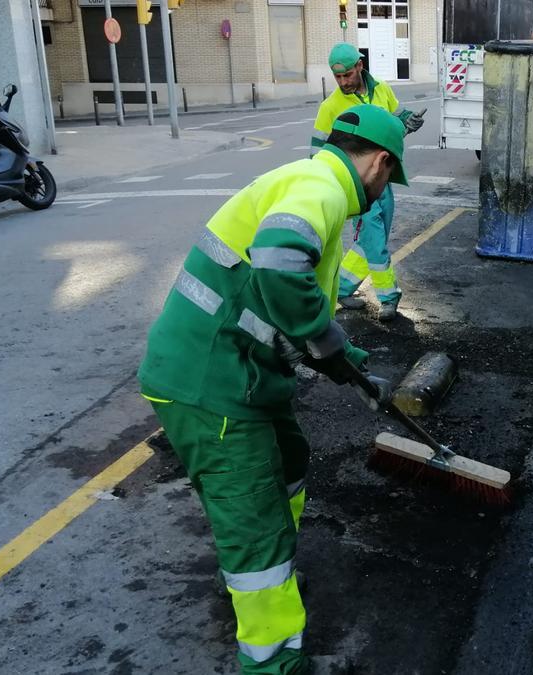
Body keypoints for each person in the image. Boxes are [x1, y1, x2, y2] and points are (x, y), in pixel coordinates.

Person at [138, 104, 407, 675]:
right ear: (380, 163)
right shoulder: (324, 186)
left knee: (289, 461)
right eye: (390, 178)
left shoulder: (308, 178)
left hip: (241, 375)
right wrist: (323, 340)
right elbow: (281, 262)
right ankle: (271, 656)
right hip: (209, 384)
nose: (384, 190)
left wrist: (351, 362)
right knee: (253, 516)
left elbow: (285, 307)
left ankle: (264, 566)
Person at [312, 43, 425, 322]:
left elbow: (395, 121)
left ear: (360, 66)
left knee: (372, 240)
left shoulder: (383, 90)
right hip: (356, 185)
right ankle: (389, 296)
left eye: (347, 75)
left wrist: (408, 121)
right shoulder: (331, 107)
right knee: (374, 238)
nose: (343, 82)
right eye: (338, 77)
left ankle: (344, 286)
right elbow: (317, 152)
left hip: (382, 178)